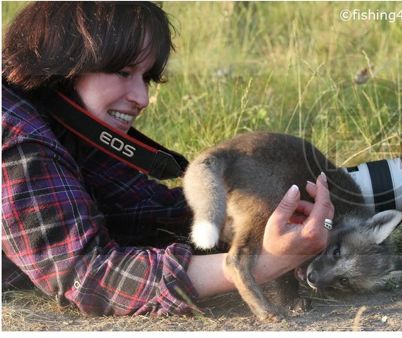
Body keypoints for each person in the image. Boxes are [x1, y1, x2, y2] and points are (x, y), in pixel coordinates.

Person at [2, 2, 334, 316]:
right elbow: (88, 274)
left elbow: (142, 208)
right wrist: (261, 262)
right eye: (122, 72)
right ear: (65, 63)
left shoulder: (61, 116)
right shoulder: (16, 135)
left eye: (145, 78)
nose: (142, 98)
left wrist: (262, 213)